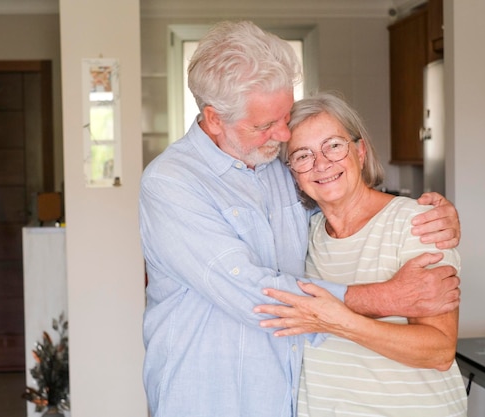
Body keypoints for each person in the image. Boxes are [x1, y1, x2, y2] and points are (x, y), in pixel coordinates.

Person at [139, 21, 461, 417]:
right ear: (214, 118)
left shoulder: (276, 162)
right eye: (264, 125)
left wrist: (437, 214)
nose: (283, 135)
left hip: (288, 400)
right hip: (210, 398)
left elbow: (343, 198)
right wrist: (388, 297)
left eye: (285, 116)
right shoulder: (171, 182)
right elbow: (257, 294)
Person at [255, 91, 467, 416]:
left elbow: (438, 350)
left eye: (334, 146)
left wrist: (341, 322)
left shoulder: (417, 222)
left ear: (360, 151)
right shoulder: (301, 238)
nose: (322, 163)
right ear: (293, 175)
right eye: (302, 155)